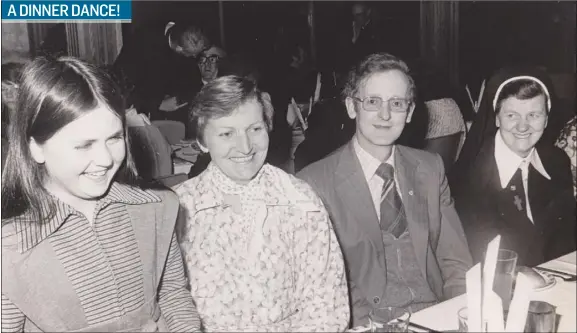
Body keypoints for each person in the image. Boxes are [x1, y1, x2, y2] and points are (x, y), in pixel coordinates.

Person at [1, 56, 201, 332]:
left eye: (115, 138)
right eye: (84, 145)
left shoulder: (155, 208)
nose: (106, 159)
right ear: (35, 147)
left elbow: (173, 296)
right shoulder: (9, 247)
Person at [297, 53, 473, 327]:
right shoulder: (315, 183)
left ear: (411, 111)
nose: (385, 114)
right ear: (351, 107)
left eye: (397, 103)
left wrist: (461, 316)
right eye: (373, 101)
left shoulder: (430, 168)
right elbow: (317, 290)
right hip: (368, 324)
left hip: (434, 316)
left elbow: (455, 262)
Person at [174, 75, 350, 332]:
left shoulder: (299, 200)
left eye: (255, 129)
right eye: (226, 133)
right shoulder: (177, 209)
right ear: (201, 141)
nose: (245, 147)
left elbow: (328, 311)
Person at [451, 66, 576, 267]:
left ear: (546, 119)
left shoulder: (557, 162)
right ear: (497, 118)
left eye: (534, 115)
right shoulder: (469, 177)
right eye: (512, 115)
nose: (523, 126)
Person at [114, 21, 210, 123]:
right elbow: (120, 85)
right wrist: (158, 104)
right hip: (136, 113)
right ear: (179, 49)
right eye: (191, 54)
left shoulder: (182, 42)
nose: (194, 57)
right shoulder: (142, 42)